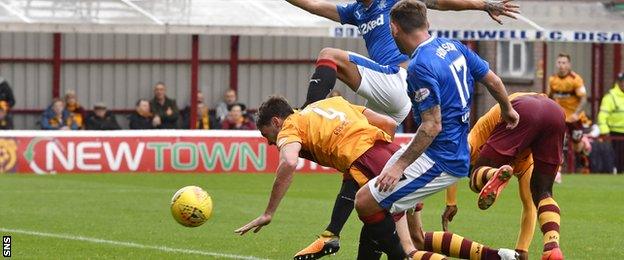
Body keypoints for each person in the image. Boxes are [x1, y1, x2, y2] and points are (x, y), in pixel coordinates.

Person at [286, 0, 519, 256]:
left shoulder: (415, 56)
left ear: (393, 28)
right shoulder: (451, 45)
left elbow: (431, 126)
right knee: (372, 185)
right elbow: (493, 80)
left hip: (430, 140)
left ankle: (309, 114)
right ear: (426, 23)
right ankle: (496, 255)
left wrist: (483, 5)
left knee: (369, 204)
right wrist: (507, 109)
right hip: (421, 123)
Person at [234, 97, 517, 260]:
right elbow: (388, 123)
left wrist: (269, 212)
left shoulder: (289, 128)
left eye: (267, 136)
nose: (271, 143)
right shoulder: (329, 102)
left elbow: (289, 161)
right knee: (411, 237)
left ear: (275, 122)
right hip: (393, 156)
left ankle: (330, 236)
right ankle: (499, 256)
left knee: (405, 250)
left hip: (372, 166)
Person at [287, 0, 518, 121]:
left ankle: (308, 114)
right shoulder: (355, 12)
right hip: (390, 89)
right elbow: (312, 5)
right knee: (362, 160)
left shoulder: (393, 1)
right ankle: (410, 208)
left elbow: (440, 2)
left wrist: (484, 5)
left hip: (400, 78)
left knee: (330, 55)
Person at [441, 92, 566, 260]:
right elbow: (529, 208)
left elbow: (454, 161)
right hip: (555, 112)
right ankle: (552, 246)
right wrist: (521, 251)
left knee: (475, 179)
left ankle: (494, 173)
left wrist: (451, 202)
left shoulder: (475, 137)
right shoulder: (524, 161)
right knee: (542, 193)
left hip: (521, 109)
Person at [597, 72, 624, 173]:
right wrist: (605, 133)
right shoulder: (610, 97)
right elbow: (602, 116)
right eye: (622, 82)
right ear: (618, 83)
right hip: (615, 134)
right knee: (618, 160)